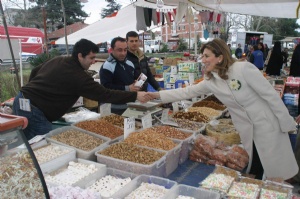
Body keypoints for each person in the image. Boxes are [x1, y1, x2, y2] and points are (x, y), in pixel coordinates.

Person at [148, 38, 298, 180]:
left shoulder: (243, 68)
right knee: (256, 166)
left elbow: (270, 96)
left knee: (275, 168)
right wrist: (155, 95)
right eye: (203, 56)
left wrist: (287, 123)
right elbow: (187, 92)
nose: (203, 60)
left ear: (219, 57)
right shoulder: (211, 80)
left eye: (207, 56)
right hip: (247, 129)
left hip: (267, 125)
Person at [13, 38, 151, 140]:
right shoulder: (78, 76)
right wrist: (135, 96)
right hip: (35, 111)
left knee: (25, 143)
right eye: (91, 58)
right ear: (80, 55)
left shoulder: (60, 59)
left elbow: (35, 71)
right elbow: (104, 94)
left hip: (22, 100)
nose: (94, 61)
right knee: (40, 146)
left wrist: (31, 91)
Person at [100, 37, 140, 115]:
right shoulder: (107, 66)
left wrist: (136, 84)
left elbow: (133, 80)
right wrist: (128, 88)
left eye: (125, 50)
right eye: (119, 50)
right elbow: (106, 88)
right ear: (112, 50)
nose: (123, 53)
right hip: (114, 108)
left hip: (130, 105)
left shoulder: (130, 64)